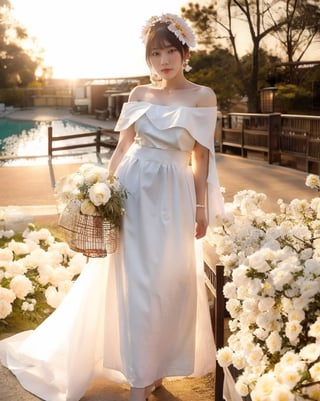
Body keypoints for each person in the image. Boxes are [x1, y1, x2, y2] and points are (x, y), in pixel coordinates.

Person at [0, 13, 226, 401]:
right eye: (155, 53)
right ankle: (139, 378)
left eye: (170, 50)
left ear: (185, 52)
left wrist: (202, 207)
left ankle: (158, 368)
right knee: (135, 282)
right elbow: (123, 146)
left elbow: (202, 158)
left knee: (169, 283)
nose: (163, 61)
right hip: (133, 190)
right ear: (148, 59)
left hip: (174, 193)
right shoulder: (139, 95)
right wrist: (103, 189)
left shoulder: (202, 96)